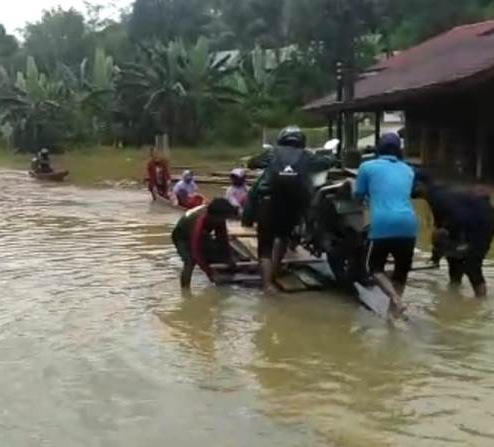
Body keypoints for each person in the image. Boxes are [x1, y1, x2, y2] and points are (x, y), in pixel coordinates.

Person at [248, 126, 333, 290]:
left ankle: (267, 285)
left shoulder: (272, 152)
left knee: (265, 245)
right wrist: (330, 157)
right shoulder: (307, 155)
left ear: (282, 139)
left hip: (269, 202)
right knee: (283, 237)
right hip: (293, 206)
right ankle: (275, 271)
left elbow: (252, 163)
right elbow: (326, 163)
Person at [354, 132, 418, 317]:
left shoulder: (367, 166)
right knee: (401, 273)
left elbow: (358, 195)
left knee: (373, 268)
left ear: (378, 148)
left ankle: (396, 301)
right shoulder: (408, 169)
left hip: (383, 224)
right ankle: (393, 316)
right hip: (409, 225)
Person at [413, 173, 494, 297]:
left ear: (420, 186)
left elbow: (456, 220)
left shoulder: (437, 197)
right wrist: (439, 254)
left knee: (472, 265)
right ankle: (454, 296)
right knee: (454, 262)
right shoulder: (435, 195)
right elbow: (442, 226)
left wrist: (462, 244)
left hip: (481, 223)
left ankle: (481, 301)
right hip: (467, 221)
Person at [171, 198, 236, 288]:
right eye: (223, 218)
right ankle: (185, 291)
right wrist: (210, 274)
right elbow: (196, 253)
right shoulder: (199, 222)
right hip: (181, 236)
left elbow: (222, 239)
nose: (224, 220)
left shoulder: (219, 217)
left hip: (202, 233)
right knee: (190, 262)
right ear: (214, 216)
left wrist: (229, 257)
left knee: (215, 251)